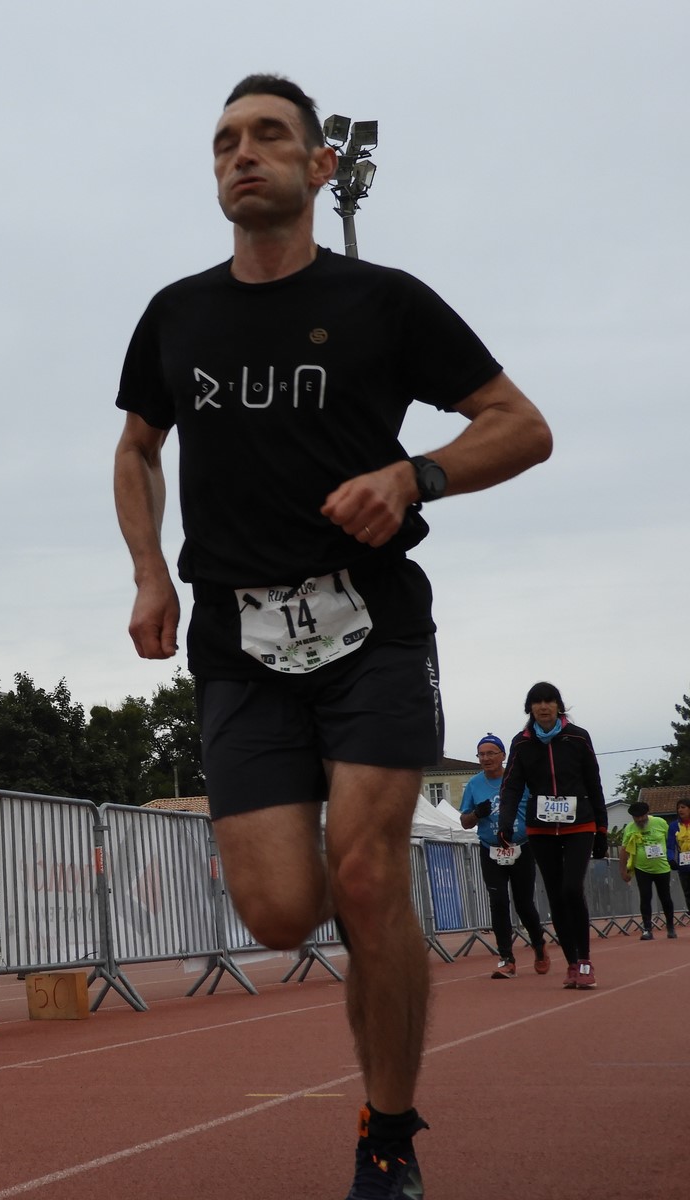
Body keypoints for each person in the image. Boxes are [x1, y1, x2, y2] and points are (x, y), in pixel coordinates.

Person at [112, 73, 551, 1200]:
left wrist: (415, 475)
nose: (241, 153)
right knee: (276, 913)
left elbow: (521, 425)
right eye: (224, 141)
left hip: (372, 626)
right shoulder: (175, 314)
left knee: (365, 869)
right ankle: (363, 916)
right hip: (236, 637)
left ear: (320, 167)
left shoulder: (384, 302)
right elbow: (137, 448)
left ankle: (388, 1134)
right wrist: (150, 571)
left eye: (267, 136)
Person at [498, 682, 609, 987]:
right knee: (557, 894)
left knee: (572, 889)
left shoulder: (578, 737)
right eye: (537, 702)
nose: (544, 706)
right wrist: (505, 822)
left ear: (559, 706)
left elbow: (594, 782)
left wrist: (601, 828)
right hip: (541, 827)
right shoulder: (521, 743)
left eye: (549, 701)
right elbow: (511, 786)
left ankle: (585, 961)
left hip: (579, 824)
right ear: (530, 708)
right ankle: (572, 963)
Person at [458, 733, 549, 978]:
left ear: (503, 756)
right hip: (491, 849)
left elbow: (538, 808)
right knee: (498, 902)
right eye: (481, 754)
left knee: (524, 904)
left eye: (491, 753)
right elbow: (465, 822)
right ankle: (506, 958)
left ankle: (539, 945)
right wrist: (477, 814)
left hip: (521, 847)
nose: (486, 758)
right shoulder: (474, 784)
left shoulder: (519, 779)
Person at [620, 800, 677, 939]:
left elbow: (670, 842)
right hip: (642, 868)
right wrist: (623, 870)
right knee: (645, 897)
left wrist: (673, 858)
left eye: (642, 816)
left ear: (647, 813)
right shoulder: (630, 828)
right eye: (636, 817)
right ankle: (647, 929)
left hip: (662, 867)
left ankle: (670, 926)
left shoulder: (660, 822)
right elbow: (624, 850)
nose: (640, 820)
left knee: (665, 897)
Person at [671, 798, 690, 914]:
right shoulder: (674, 826)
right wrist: (670, 858)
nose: (680, 810)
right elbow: (670, 846)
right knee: (687, 892)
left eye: (683, 807)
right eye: (678, 808)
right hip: (684, 865)